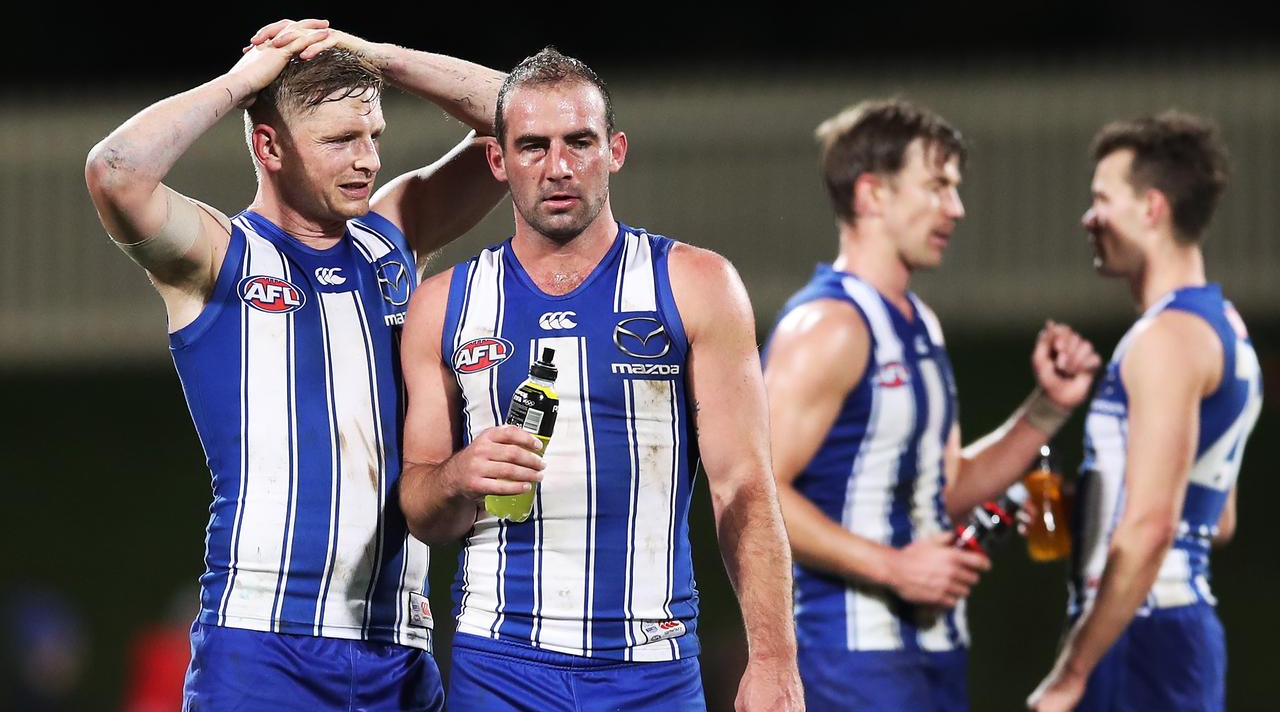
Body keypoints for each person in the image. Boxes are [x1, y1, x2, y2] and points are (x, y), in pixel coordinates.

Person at [84, 18, 507, 711]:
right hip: (261, 646)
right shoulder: (221, 256)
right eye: (340, 141)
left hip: (398, 645)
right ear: (269, 145)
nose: (366, 160)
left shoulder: (392, 236)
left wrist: (380, 58)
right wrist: (244, 81)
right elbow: (116, 171)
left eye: (373, 137)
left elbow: (518, 120)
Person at [397, 48, 803, 712]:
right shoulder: (444, 304)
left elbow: (744, 488)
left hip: (651, 665)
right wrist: (458, 476)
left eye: (577, 142)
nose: (558, 168)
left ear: (614, 151)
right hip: (500, 666)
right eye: (532, 146)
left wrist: (774, 660)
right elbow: (420, 508)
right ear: (497, 162)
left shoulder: (695, 285)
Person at [762, 99, 1100, 712]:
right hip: (847, 658)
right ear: (872, 194)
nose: (956, 208)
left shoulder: (921, 324)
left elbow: (947, 486)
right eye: (938, 186)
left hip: (936, 651)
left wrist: (1047, 408)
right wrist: (892, 568)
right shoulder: (828, 327)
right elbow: (755, 496)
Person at [1027, 112, 1263, 712]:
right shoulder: (1224, 328)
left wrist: (1071, 672)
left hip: (1142, 633)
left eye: (1102, 199)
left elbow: (1153, 526)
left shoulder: (1167, 339)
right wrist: (1085, 508)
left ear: (1152, 208)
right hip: (1171, 630)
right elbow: (1216, 517)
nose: (1089, 217)